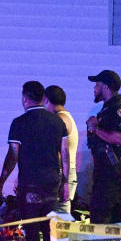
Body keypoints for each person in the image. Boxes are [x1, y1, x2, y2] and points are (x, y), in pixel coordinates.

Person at [0, 81, 69, 241]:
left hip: (30, 186)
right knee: (49, 230)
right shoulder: (57, 122)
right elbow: (64, 154)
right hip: (52, 185)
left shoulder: (19, 123)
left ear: (25, 98)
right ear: (43, 98)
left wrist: (1, 184)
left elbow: (13, 155)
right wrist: (65, 183)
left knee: (32, 231)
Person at [86, 69, 121, 224]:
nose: (94, 89)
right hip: (104, 168)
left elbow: (120, 138)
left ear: (106, 87)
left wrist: (95, 128)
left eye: (97, 85)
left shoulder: (120, 110)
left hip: (112, 168)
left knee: (99, 211)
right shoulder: (106, 110)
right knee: (114, 211)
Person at [44, 85, 78, 215]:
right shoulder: (66, 117)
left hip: (62, 173)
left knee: (60, 217)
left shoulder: (60, 119)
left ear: (47, 100)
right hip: (65, 172)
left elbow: (57, 150)